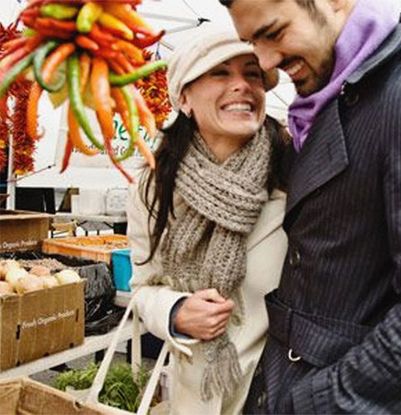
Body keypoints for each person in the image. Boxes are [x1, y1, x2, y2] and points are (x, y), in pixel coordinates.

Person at [218, 0, 401, 413]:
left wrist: (315, 401)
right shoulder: (327, 100)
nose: (266, 62)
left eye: (273, 33)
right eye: (252, 41)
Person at [127, 29, 290, 414]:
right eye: (220, 73)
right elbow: (142, 287)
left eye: (252, 74)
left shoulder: (293, 173)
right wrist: (175, 310)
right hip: (193, 395)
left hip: (278, 394)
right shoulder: (155, 185)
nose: (242, 86)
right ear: (184, 97)